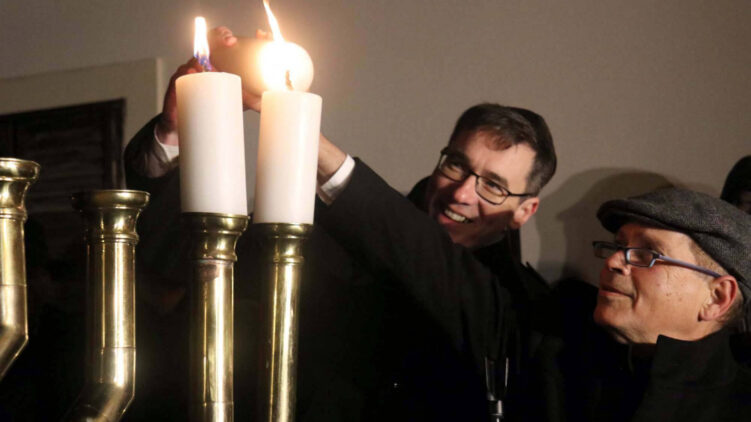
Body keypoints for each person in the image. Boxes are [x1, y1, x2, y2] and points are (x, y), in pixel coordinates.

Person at [125, 27, 560, 421]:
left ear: (526, 210)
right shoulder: (323, 230)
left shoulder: (522, 307)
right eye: (457, 165)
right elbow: (180, 260)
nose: (462, 193)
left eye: (493, 186)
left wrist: (295, 123)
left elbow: (433, 265)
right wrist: (176, 131)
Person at [584, 187, 751, 421]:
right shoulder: (565, 371)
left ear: (717, 298)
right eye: (619, 246)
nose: (613, 261)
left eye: (647, 253)